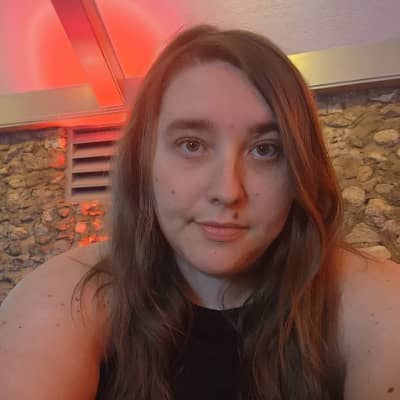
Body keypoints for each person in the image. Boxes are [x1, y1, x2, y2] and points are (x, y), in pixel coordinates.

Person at [0, 24, 399, 400]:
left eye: (265, 149)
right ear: (144, 161)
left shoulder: (374, 301)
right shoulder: (62, 299)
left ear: (300, 172)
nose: (227, 192)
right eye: (192, 145)